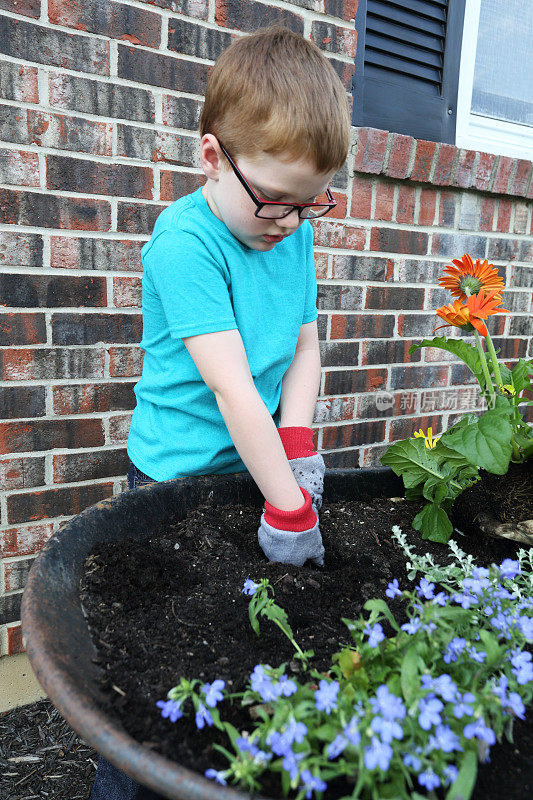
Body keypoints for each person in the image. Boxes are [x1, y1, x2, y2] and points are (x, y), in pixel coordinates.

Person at [90, 24, 351, 799]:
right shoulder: (185, 243)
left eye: (310, 206)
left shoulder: (287, 228)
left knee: (237, 657)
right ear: (212, 157)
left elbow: (303, 349)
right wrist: (293, 507)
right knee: (152, 678)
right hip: (171, 487)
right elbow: (233, 389)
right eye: (275, 201)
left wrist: (295, 443)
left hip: (254, 472)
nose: (290, 223)